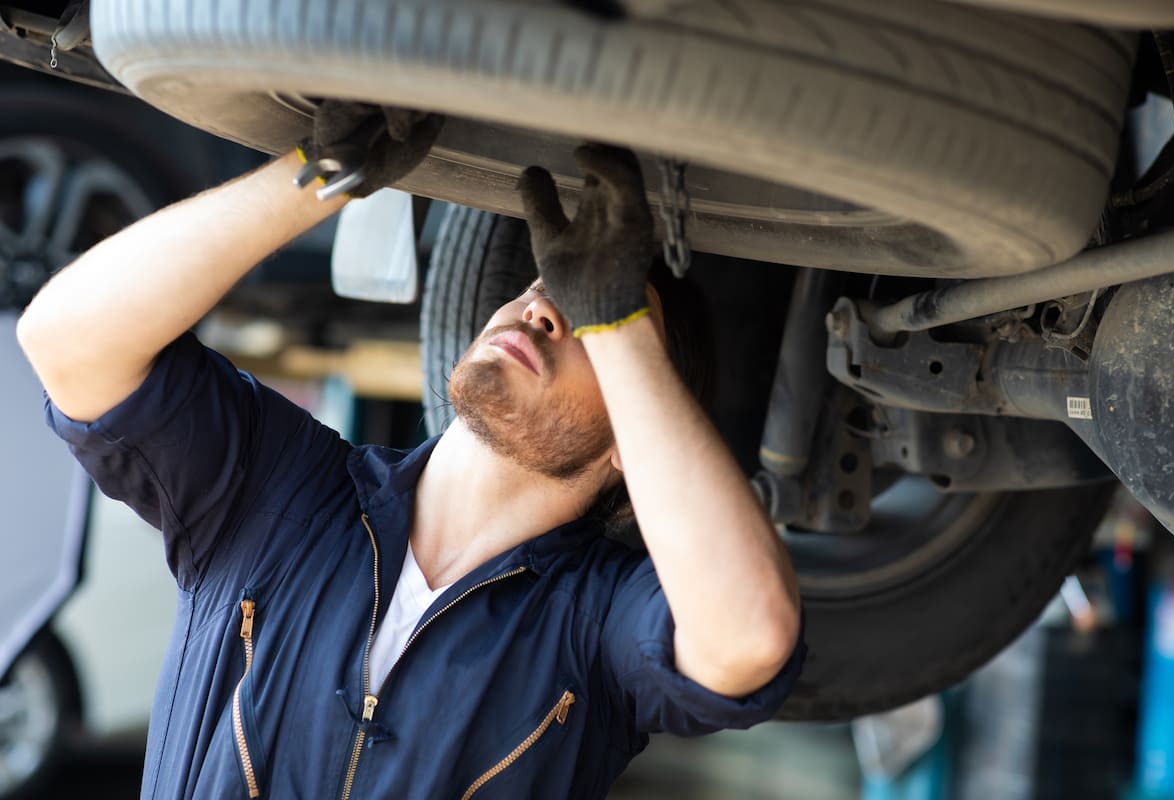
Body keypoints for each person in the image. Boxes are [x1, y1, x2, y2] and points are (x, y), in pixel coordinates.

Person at [17, 103, 805, 799]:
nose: (544, 309)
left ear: (637, 438)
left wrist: (620, 320)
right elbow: (67, 343)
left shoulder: (593, 627)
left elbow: (749, 634)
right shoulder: (282, 493)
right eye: (546, 283)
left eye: (592, 314)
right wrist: (317, 174)